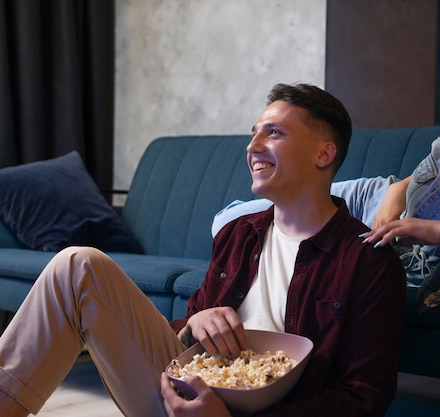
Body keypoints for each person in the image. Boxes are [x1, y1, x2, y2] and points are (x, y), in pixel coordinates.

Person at [0, 84, 406, 417]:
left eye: (274, 133)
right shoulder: (237, 233)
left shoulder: (368, 260)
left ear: (323, 154)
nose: (253, 146)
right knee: (78, 263)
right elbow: (192, 330)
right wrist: (196, 323)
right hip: (183, 395)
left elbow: (363, 399)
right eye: (254, 133)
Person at [213, 25, 440, 310]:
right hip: (366, 202)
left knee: (243, 233)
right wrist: (396, 192)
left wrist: (436, 230)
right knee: (227, 225)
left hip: (381, 238)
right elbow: (424, 181)